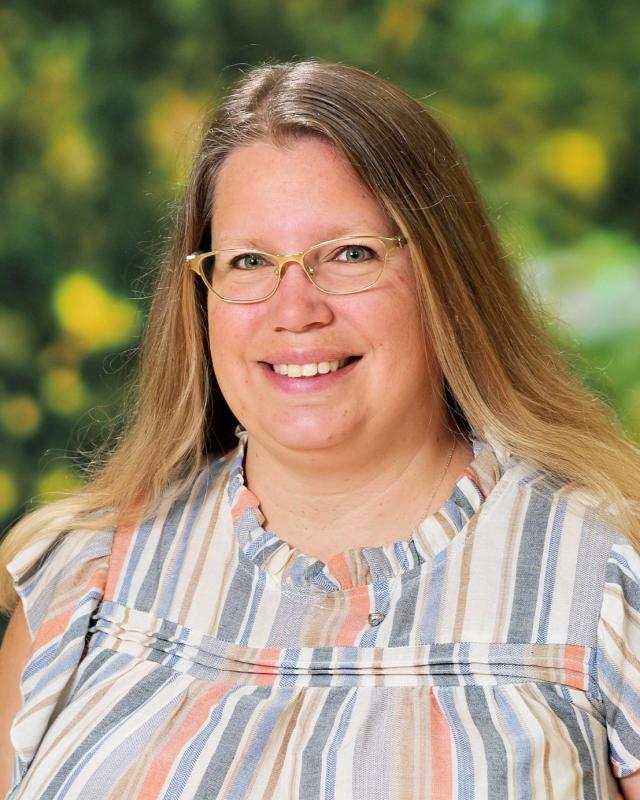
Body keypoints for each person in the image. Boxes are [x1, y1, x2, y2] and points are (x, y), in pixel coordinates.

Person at [0, 60, 639, 800]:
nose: (295, 308)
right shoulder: (87, 577)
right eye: (249, 261)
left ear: (447, 278)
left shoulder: (607, 579)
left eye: (350, 254)